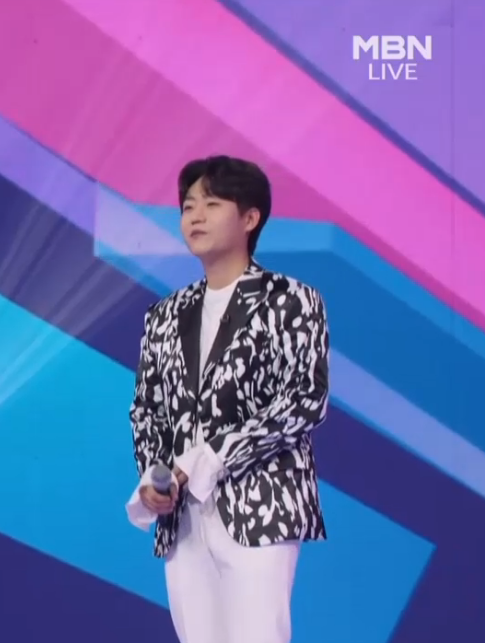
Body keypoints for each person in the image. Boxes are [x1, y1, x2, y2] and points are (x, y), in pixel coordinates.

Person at [125, 156, 330, 643]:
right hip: (183, 518)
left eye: (212, 204)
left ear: (250, 217)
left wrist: (210, 457)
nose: (195, 216)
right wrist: (157, 476)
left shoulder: (291, 300)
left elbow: (305, 398)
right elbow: (148, 410)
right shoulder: (164, 314)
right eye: (188, 206)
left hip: (261, 505)